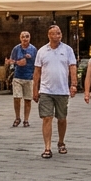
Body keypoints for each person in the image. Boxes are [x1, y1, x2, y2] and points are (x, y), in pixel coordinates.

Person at [33, 25, 77, 158]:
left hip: (62, 90)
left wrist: (74, 84)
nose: (56, 36)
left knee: (62, 118)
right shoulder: (42, 51)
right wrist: (35, 89)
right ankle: (47, 147)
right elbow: (37, 71)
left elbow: (73, 67)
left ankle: (61, 142)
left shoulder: (67, 50)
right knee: (47, 118)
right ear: (48, 35)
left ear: (61, 35)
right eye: (53, 34)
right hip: (46, 89)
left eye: (58, 33)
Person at [8, 32, 38, 128]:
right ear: (20, 38)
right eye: (23, 37)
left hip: (29, 77)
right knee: (17, 98)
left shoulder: (33, 50)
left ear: (30, 38)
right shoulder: (16, 49)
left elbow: (37, 63)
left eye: (27, 37)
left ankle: (26, 119)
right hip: (18, 76)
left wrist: (36, 75)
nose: (25, 38)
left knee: (28, 99)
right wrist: (17, 63)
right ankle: (17, 117)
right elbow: (10, 61)